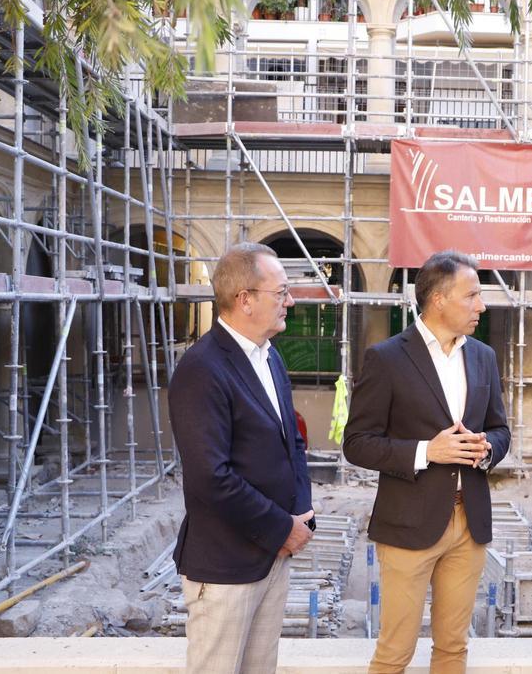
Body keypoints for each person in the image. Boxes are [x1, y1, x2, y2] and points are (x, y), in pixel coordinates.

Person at [344, 250, 510, 674]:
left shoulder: (483, 357)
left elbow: (500, 429)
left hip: (468, 523)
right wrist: (425, 451)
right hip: (407, 525)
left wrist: (487, 447)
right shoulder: (386, 358)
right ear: (438, 299)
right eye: (472, 295)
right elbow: (357, 443)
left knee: (454, 648)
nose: (481, 305)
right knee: (395, 651)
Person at [169, 243, 315, 674]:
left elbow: (294, 442)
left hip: (273, 555)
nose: (290, 301)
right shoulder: (202, 368)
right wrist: (280, 527)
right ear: (244, 299)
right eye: (281, 292)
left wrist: (301, 515)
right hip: (226, 567)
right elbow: (211, 477)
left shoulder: (269, 357)